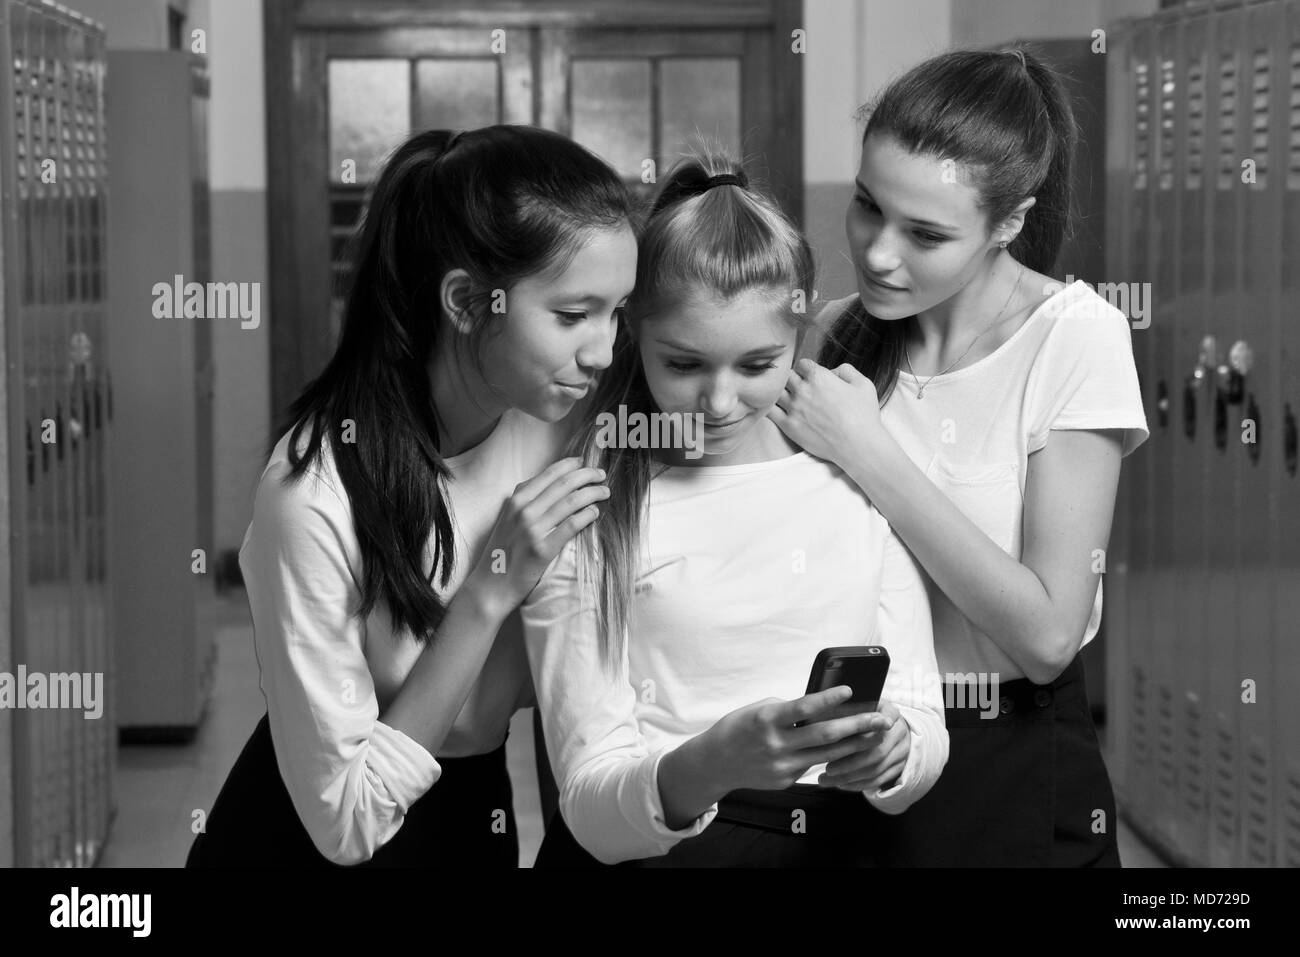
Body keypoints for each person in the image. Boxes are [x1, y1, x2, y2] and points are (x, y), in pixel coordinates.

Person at [186, 125, 636, 867]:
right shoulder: (313, 494)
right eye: (571, 315)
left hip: (473, 811)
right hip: (313, 834)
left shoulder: (563, 418)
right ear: (465, 300)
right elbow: (348, 823)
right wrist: (493, 585)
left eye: (617, 311)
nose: (604, 350)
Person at [772, 48, 1149, 866]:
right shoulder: (838, 330)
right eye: (869, 207)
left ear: (1009, 222)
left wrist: (871, 454)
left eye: (926, 234)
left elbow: (1047, 633)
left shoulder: (1075, 336)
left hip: (1011, 755)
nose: (877, 253)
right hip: (866, 744)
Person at [522, 153, 947, 868]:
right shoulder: (594, 507)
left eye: (756, 364)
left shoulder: (856, 476)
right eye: (683, 364)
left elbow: (924, 727)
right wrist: (716, 760)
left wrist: (895, 752)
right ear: (633, 334)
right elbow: (591, 810)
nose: (719, 403)